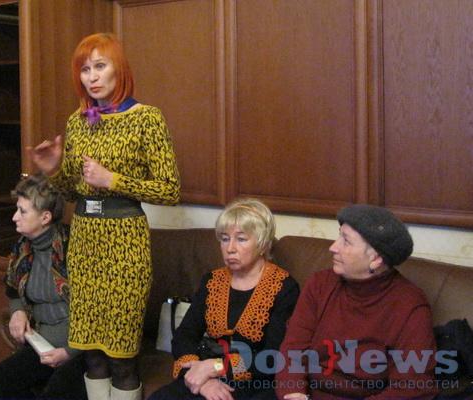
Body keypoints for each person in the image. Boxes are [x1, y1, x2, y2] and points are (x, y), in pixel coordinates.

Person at [28, 33, 181, 400]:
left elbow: (170, 190)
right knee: (92, 355)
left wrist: (113, 180)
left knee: (122, 358)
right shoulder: (78, 121)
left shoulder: (146, 119)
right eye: (85, 69)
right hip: (85, 243)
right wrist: (53, 170)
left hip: (125, 244)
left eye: (100, 66)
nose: (92, 76)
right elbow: (69, 192)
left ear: (119, 69)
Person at [275, 204, 438, 400]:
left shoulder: (410, 305)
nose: (333, 247)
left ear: (376, 258)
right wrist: (293, 393)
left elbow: (411, 387)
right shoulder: (320, 284)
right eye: (339, 236)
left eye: (346, 241)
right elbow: (292, 350)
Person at [149, 198, 300, 400]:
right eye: (225, 238)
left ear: (263, 243)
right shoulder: (213, 280)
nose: (230, 248)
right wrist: (203, 379)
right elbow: (184, 336)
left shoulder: (284, 287)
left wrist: (216, 367)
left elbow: (273, 357)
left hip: (253, 381)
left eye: (241, 239)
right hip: (206, 373)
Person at [0, 174, 86, 399]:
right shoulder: (22, 247)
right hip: (42, 343)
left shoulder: (75, 247)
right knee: (4, 376)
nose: (14, 217)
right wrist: (17, 312)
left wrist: (69, 352)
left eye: (22, 211)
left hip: (81, 348)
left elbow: (98, 309)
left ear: (45, 217)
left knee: (57, 390)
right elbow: (13, 288)